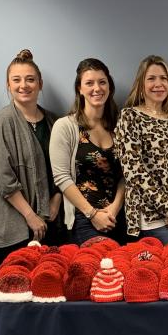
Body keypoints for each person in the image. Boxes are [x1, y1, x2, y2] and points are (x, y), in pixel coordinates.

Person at [0, 49, 63, 265]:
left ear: (40, 83)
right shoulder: (3, 121)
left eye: (30, 79)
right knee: (15, 290)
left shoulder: (53, 122)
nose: (24, 85)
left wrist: (55, 201)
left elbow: (63, 168)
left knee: (49, 289)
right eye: (16, 80)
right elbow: (4, 178)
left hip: (50, 222)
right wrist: (31, 216)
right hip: (14, 226)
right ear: (8, 85)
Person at [114, 55, 168, 243]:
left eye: (163, 78)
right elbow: (134, 171)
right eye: (151, 78)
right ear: (141, 84)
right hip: (147, 219)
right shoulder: (130, 117)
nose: (158, 84)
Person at [50, 58, 125, 245]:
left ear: (109, 87)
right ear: (79, 89)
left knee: (121, 271)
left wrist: (114, 209)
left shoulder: (120, 126)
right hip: (84, 218)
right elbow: (61, 177)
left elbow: (127, 174)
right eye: (89, 83)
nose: (97, 88)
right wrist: (93, 214)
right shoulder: (65, 126)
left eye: (102, 82)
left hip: (118, 217)